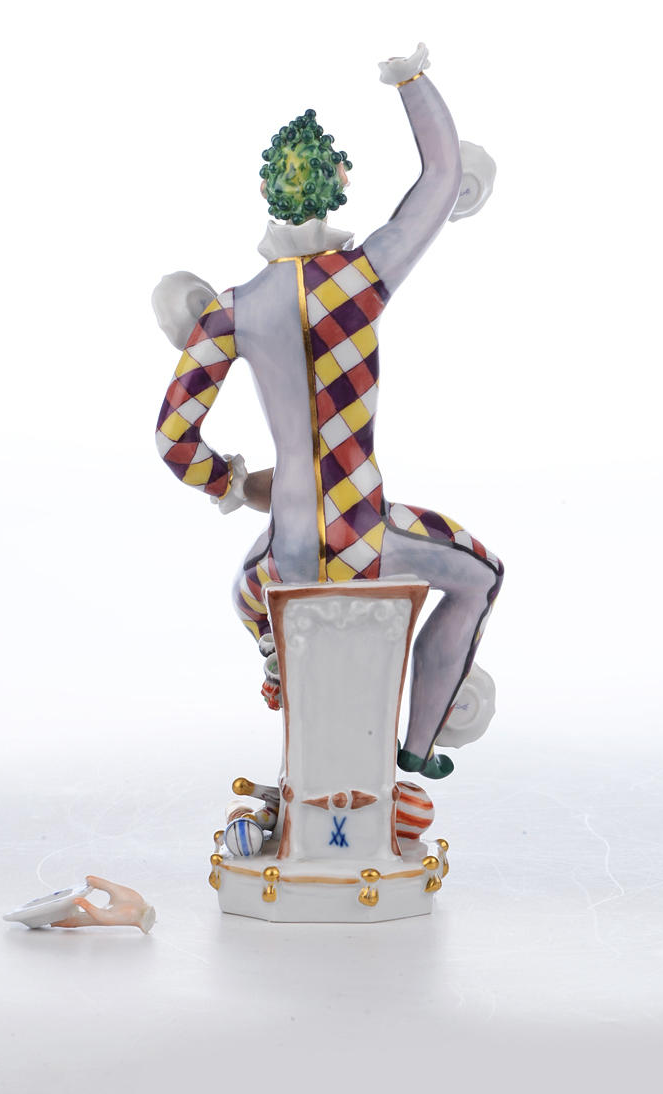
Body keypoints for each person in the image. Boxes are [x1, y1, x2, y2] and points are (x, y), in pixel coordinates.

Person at [155, 44, 503, 779]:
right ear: (340, 182)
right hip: (360, 533)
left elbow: (174, 440)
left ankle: (273, 649)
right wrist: (409, 79)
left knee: (246, 594)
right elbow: (442, 177)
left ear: (265, 190)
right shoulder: (361, 277)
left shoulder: (232, 310)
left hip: (285, 550)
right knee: (481, 576)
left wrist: (238, 484)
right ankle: (418, 745)